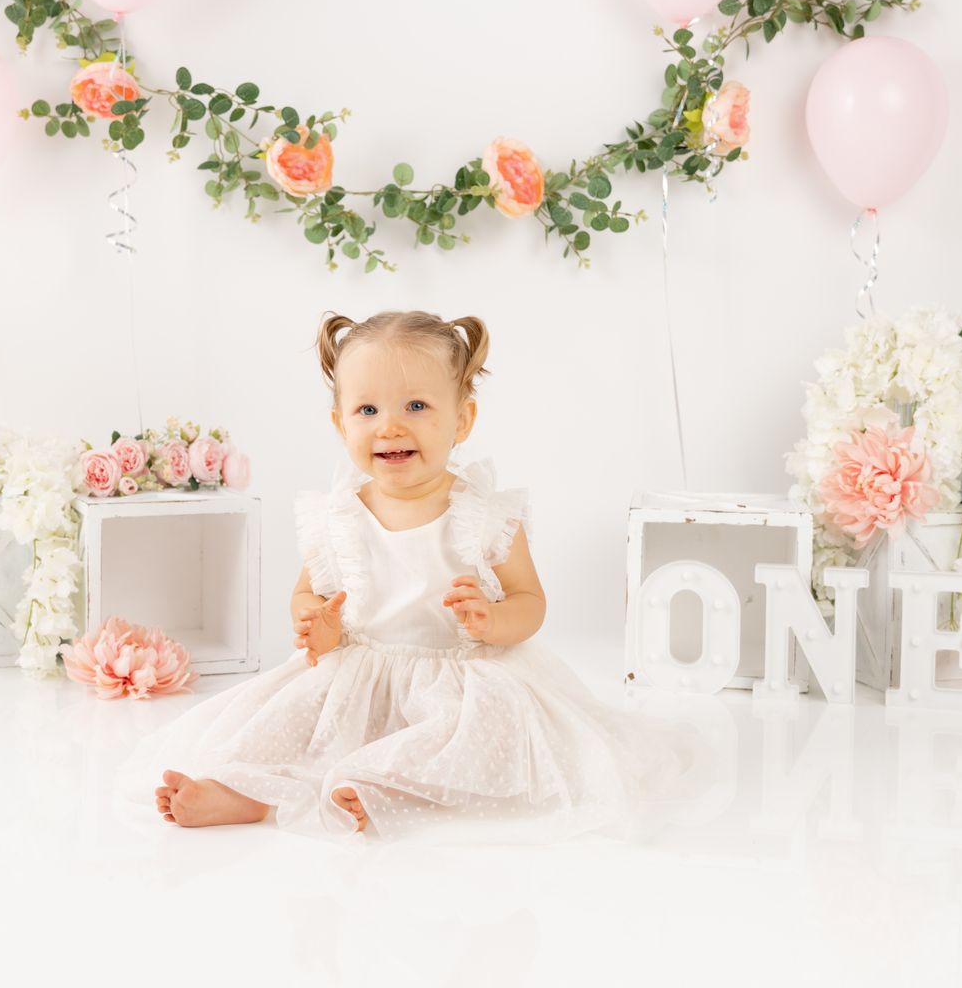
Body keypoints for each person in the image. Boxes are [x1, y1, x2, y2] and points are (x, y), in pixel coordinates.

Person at [123, 309, 697, 841]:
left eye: (416, 406)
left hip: (460, 681)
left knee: (474, 741)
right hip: (358, 679)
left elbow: (530, 601)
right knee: (282, 727)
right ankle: (245, 791)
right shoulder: (337, 517)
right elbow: (307, 594)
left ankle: (392, 791)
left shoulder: (485, 514)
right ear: (340, 423)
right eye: (368, 411)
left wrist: (493, 619)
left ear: (462, 419)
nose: (391, 427)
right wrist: (315, 623)